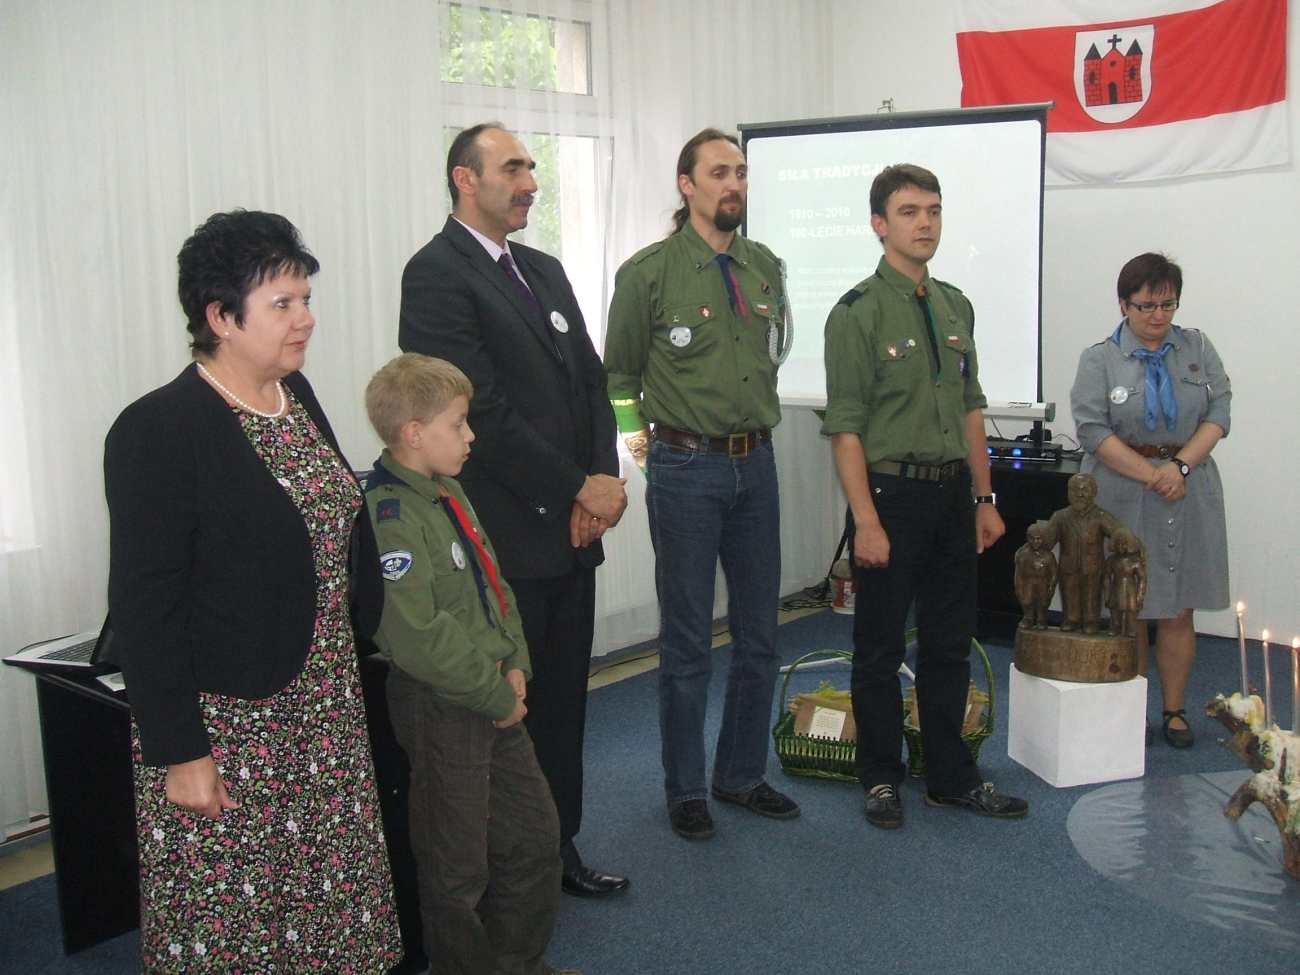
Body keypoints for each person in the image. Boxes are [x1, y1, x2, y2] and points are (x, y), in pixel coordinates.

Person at [104, 210, 401, 971]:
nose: (306, 318)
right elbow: (146, 607)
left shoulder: (293, 394)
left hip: (324, 706)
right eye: (283, 304)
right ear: (219, 318)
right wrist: (180, 752)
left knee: (332, 907)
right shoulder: (159, 428)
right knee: (241, 919)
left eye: (306, 298)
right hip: (234, 727)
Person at [398, 123, 629, 897]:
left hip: (573, 527)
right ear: (465, 178)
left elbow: (590, 385)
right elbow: (481, 415)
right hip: (506, 536)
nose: (531, 181)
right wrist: (576, 487)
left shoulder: (544, 267)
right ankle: (508, 870)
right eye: (513, 167)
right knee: (509, 710)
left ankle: (557, 846)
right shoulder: (435, 274)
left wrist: (603, 478)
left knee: (564, 701)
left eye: (531, 166)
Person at [604, 128, 800, 840]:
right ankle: (685, 787)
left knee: (760, 636)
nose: (734, 185)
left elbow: (774, 354)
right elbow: (619, 376)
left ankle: (741, 773)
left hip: (759, 462)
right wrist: (641, 446)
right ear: (686, 184)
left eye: (741, 172)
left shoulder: (764, 266)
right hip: (686, 468)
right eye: (720, 172)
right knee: (688, 641)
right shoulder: (649, 273)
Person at [822, 164, 1028, 829]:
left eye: (934, 210)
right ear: (880, 224)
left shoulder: (955, 305)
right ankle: (881, 776)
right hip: (889, 496)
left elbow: (972, 409)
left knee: (948, 640)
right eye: (909, 211)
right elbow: (846, 428)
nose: (926, 223)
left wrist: (985, 496)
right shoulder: (855, 313)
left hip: (950, 499)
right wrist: (865, 520)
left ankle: (950, 775)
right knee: (880, 647)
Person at [363, 353, 575, 975]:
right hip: (443, 704)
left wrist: (515, 660)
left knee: (535, 840)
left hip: (491, 694)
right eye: (458, 424)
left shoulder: (448, 491)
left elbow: (492, 585)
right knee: (457, 868)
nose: (470, 435)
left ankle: (519, 963)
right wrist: (494, 692)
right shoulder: (390, 516)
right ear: (413, 433)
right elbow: (416, 635)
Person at [1070, 252, 1231, 748]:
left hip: (1188, 486)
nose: (1158, 315)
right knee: (1130, 606)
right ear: (1124, 304)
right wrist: (1153, 475)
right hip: (1124, 488)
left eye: (1168, 304)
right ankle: (1131, 706)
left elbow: (1220, 409)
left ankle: (1175, 710)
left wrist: (1178, 468)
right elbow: (1094, 430)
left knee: (1179, 608)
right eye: (1146, 306)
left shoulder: (1197, 348)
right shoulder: (1099, 358)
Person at [1039, 473, 1124, 635]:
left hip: (1093, 567)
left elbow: (1118, 533)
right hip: (1068, 566)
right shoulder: (1061, 517)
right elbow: (1047, 541)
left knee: (1091, 596)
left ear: (1093, 492)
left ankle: (1090, 622)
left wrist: (1125, 544)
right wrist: (1037, 540)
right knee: (1069, 594)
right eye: (1074, 490)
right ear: (1068, 493)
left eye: (1084, 490)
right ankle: (1071, 620)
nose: (1079, 494)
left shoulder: (1100, 516)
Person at [1013, 521, 1058, 630]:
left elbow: (1054, 572)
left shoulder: (1048, 555)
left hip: (1043, 582)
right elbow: (1019, 573)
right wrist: (1018, 586)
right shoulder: (1023, 554)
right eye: (1032, 538)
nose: (1035, 541)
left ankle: (1041, 619)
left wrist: (1052, 584)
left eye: (1039, 538)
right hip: (1028, 582)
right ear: (1028, 538)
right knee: (1027, 600)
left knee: (1043, 602)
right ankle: (1028, 618)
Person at [1104, 528, 1148, 639]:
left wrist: (1140, 596)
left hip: (1130, 590)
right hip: (1116, 588)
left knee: (1131, 614)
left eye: (1123, 544)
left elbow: (1142, 579)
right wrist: (1107, 593)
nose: (1120, 547)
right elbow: (1107, 577)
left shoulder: (1135, 562)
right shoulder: (1111, 560)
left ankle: (1130, 630)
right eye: (1118, 544)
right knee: (1115, 613)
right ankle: (1115, 628)